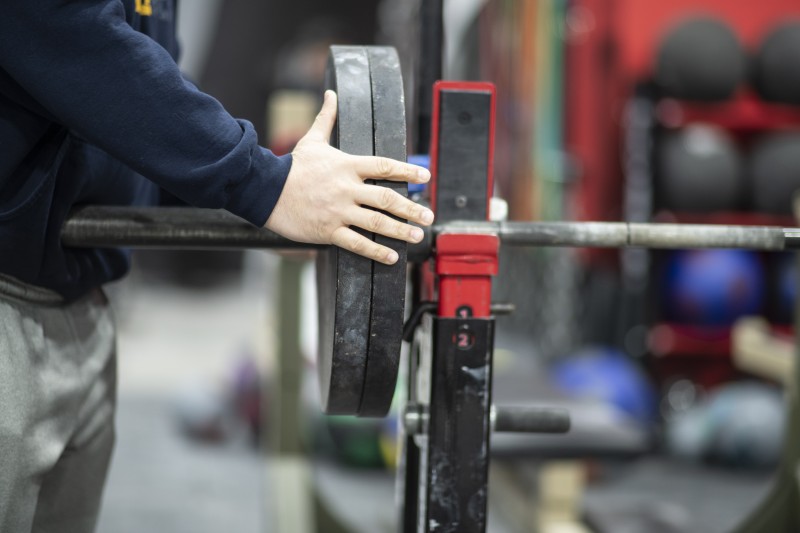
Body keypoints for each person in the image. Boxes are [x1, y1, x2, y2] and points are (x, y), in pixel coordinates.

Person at [0, 1, 433, 532]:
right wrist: (268, 187)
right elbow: (75, 39)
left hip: (82, 307)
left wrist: (275, 208)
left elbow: (127, 125)